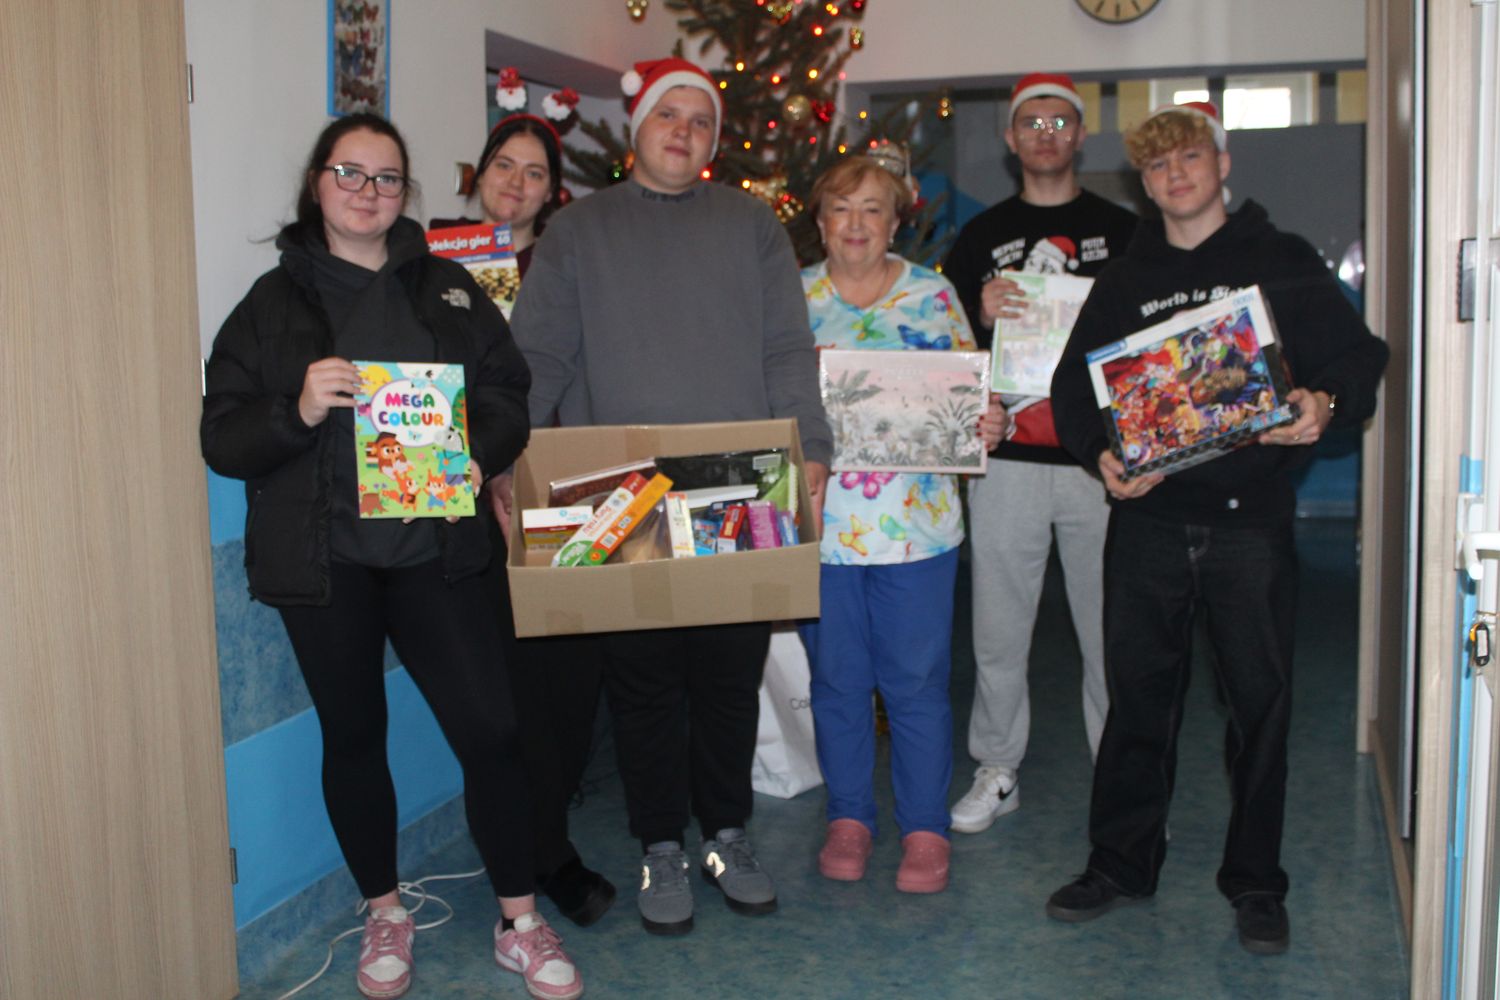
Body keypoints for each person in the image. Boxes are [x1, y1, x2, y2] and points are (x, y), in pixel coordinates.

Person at [200, 113, 583, 1000]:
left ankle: (520, 920)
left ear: (404, 192)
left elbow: (508, 394)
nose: (366, 192)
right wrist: (297, 409)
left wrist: (474, 450)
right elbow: (221, 437)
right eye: (350, 172)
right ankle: (384, 911)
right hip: (324, 560)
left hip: (434, 549)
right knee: (353, 736)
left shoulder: (449, 288)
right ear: (318, 182)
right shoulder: (269, 304)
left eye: (385, 178)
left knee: (492, 731)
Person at [1045, 102, 1389, 954]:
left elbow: (1359, 358)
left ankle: (1257, 882)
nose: (1176, 175)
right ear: (1144, 181)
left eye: (1190, 158)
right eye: (1158, 166)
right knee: (1137, 705)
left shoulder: (1282, 259)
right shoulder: (1126, 279)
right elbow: (1073, 388)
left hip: (1251, 528)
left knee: (1260, 712)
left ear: (1222, 164)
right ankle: (1121, 863)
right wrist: (1101, 455)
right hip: (1149, 524)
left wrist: (1324, 403)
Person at [503, 56, 833, 936]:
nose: (683, 131)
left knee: (729, 679)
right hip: (619, 496)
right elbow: (540, 360)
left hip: (740, 487)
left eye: (700, 120)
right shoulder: (579, 232)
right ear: (638, 125)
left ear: (713, 140)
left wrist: (814, 452)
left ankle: (727, 834)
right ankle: (660, 844)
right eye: (667, 114)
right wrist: (507, 466)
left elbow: (785, 350)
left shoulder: (751, 225)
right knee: (643, 686)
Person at [796, 155, 1007, 893]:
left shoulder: (934, 295)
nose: (856, 224)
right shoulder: (790, 299)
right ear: (820, 220)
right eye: (841, 208)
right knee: (836, 683)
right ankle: (849, 818)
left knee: (916, 685)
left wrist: (992, 422)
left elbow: (970, 399)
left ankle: (924, 827)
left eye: (873, 209)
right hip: (820, 531)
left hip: (920, 531)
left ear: (895, 223)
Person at [942, 72, 1139, 835]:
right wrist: (976, 311)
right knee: (998, 630)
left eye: (1060, 121)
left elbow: (1149, 337)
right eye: (1032, 122)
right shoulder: (980, 236)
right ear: (1010, 137)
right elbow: (945, 347)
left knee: (1110, 632)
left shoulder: (1123, 231)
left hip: (1102, 465)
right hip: (1009, 464)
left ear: (1081, 135)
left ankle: (1121, 776)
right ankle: (998, 767)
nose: (1046, 133)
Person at [462, 112, 619, 929]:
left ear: (552, 191)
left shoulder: (572, 265)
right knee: (505, 694)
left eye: (534, 172)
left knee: (568, 686)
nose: (516, 184)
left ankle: (547, 845)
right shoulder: (433, 267)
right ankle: (529, 855)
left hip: (564, 495)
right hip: (470, 506)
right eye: (503, 165)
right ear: (478, 172)